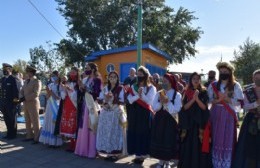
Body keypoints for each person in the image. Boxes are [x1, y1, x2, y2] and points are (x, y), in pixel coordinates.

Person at [207, 62, 243, 168]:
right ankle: (215, 163)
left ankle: (226, 164)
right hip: (216, 114)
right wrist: (217, 100)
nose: (223, 73)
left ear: (230, 72)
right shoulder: (213, 85)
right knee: (215, 137)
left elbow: (240, 104)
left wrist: (227, 99)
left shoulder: (236, 85)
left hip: (228, 116)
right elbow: (208, 101)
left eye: (225, 72)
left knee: (227, 138)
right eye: (221, 72)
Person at [178, 72, 212, 168]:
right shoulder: (187, 91)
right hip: (188, 123)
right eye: (194, 79)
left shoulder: (204, 92)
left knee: (198, 146)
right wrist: (193, 99)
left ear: (200, 80)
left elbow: (204, 108)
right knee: (188, 145)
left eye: (197, 78)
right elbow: (184, 108)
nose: (196, 80)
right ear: (191, 80)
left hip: (199, 123)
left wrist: (197, 99)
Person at [150, 73, 182, 168]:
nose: (163, 83)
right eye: (162, 81)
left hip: (170, 121)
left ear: (171, 82)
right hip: (160, 120)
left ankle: (167, 162)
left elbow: (177, 109)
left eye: (166, 81)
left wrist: (167, 103)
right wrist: (160, 102)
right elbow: (154, 107)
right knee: (160, 140)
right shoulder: (159, 93)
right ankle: (160, 162)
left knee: (169, 140)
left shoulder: (177, 94)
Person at [127, 66, 156, 164]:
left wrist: (142, 95)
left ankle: (142, 155)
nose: (139, 76)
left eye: (141, 74)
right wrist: (137, 95)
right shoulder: (133, 86)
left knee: (142, 133)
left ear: (146, 75)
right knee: (134, 131)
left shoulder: (151, 88)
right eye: (137, 74)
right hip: (134, 112)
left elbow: (150, 102)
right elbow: (130, 100)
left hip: (144, 113)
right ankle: (136, 154)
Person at [96, 71, 127, 161]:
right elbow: (100, 100)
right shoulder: (105, 88)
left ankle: (115, 153)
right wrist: (104, 100)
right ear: (108, 78)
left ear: (117, 79)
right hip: (105, 113)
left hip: (115, 113)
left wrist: (113, 98)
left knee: (114, 133)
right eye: (111, 77)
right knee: (106, 132)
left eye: (114, 77)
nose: (112, 78)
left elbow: (123, 101)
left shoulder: (120, 88)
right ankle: (107, 152)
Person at [233, 69, 260, 168]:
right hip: (251, 120)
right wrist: (256, 104)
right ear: (253, 78)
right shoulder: (248, 90)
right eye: (256, 78)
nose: (258, 80)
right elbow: (243, 106)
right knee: (249, 145)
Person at [74, 62, 102, 158]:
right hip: (85, 105)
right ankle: (83, 149)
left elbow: (97, 93)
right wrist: (80, 87)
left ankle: (91, 150)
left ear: (93, 69)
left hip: (92, 105)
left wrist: (85, 88)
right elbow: (82, 92)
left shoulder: (97, 80)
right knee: (84, 126)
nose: (86, 69)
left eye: (87, 68)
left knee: (91, 125)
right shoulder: (85, 79)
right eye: (85, 68)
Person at [39, 71, 63, 147]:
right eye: (52, 76)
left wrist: (52, 93)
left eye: (54, 76)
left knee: (54, 121)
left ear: (58, 76)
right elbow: (47, 96)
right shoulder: (50, 85)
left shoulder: (61, 86)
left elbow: (60, 96)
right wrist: (48, 92)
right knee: (49, 120)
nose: (53, 77)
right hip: (50, 104)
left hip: (57, 105)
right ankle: (49, 141)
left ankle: (55, 141)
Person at [20, 65, 42, 144]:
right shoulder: (26, 81)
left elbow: (36, 93)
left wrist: (25, 98)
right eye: (27, 72)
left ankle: (37, 137)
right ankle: (29, 135)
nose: (27, 73)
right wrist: (21, 97)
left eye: (28, 72)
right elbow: (22, 90)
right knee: (27, 120)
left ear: (32, 72)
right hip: (26, 103)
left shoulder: (37, 81)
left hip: (33, 103)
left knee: (35, 121)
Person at [60, 67, 80, 151]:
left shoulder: (79, 83)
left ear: (77, 73)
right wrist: (63, 89)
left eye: (74, 72)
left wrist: (70, 90)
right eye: (71, 72)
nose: (72, 74)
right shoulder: (67, 82)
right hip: (67, 104)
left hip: (74, 105)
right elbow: (63, 96)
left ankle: (75, 145)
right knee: (68, 123)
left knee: (74, 124)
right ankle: (71, 143)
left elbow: (78, 95)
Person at [0, 63, 19, 140]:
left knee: (12, 119)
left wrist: (14, 103)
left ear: (10, 70)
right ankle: (9, 133)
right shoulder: (3, 79)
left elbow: (16, 92)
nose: (4, 70)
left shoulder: (13, 79)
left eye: (6, 69)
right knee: (6, 119)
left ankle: (13, 134)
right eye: (3, 69)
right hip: (4, 103)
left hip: (11, 103)